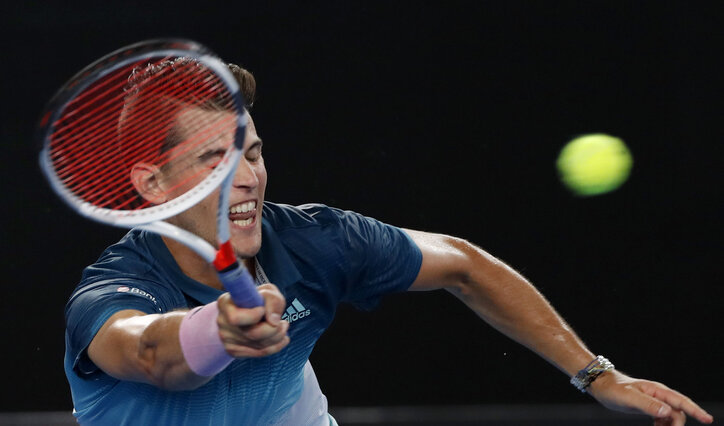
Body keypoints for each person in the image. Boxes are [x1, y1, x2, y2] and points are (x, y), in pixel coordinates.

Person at [63, 61, 714, 426]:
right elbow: (147, 352)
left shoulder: (315, 240)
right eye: (215, 159)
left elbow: (464, 266)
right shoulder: (114, 288)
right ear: (152, 182)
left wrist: (596, 374)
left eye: (254, 152)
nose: (249, 177)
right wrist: (217, 332)